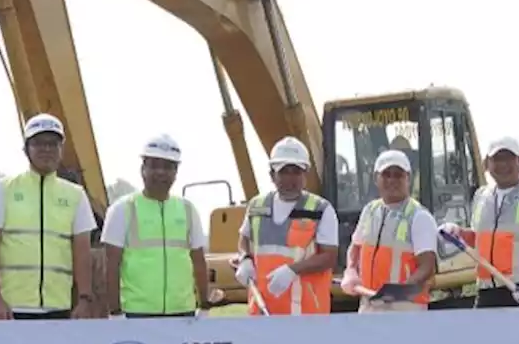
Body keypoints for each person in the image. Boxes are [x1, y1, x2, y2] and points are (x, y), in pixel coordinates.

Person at [0, 113, 96, 320]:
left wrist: (84, 298)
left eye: (53, 144)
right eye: (39, 143)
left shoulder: (76, 195)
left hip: (59, 307)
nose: (46, 150)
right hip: (11, 308)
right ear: (26, 149)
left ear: (62, 149)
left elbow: (82, 252)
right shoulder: (1, 190)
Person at [440, 136, 519, 307]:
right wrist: (458, 232)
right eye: (497, 159)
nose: (503, 165)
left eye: (509, 158)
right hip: (487, 291)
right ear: (486, 165)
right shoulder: (481, 197)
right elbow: (478, 240)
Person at [101, 134, 210, 318]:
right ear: (143, 168)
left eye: (168, 167)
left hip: (182, 313)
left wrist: (205, 305)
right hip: (136, 314)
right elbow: (111, 265)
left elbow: (198, 260)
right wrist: (114, 311)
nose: (160, 172)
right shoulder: (122, 209)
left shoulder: (187, 209)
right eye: (154, 165)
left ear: (176, 172)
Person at [233, 136, 339, 315]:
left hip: (306, 316)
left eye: (296, 171)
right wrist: (244, 259)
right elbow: (244, 239)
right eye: (284, 172)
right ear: (272, 175)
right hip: (263, 311)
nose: (290, 178)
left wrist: (293, 270)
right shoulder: (257, 207)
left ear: (305, 174)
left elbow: (329, 257)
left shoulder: (321, 210)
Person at [341, 149, 439, 313]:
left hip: (404, 309)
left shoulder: (419, 217)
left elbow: (427, 267)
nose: (392, 180)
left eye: (398, 175)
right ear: (376, 179)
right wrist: (350, 270)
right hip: (369, 306)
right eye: (386, 174)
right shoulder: (370, 211)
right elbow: (356, 246)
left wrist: (398, 292)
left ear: (408, 178)